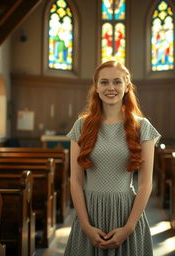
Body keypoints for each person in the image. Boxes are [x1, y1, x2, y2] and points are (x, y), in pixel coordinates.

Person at [65, 60, 161, 256]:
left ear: (127, 87)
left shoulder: (142, 127)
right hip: (89, 212)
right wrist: (85, 225)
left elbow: (145, 184)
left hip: (126, 212)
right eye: (104, 82)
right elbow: (75, 180)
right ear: (96, 87)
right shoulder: (81, 126)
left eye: (117, 82)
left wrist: (129, 227)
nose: (111, 88)